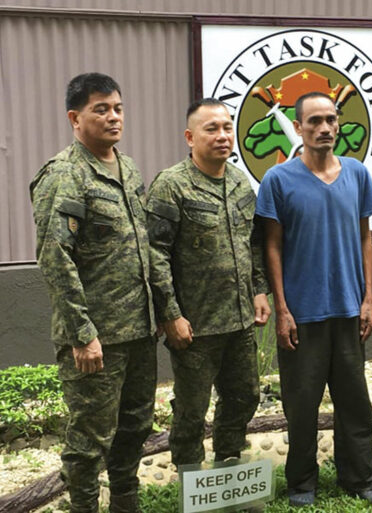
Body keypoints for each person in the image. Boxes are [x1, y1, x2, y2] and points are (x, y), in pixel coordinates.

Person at [29, 72, 157, 513]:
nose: (113, 117)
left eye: (117, 107)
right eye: (100, 109)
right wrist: (82, 333)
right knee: (89, 441)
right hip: (96, 338)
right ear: (75, 117)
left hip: (139, 330)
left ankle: (126, 504)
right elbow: (55, 258)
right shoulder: (64, 174)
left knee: (134, 427)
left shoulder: (129, 167)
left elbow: (141, 246)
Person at [255, 92, 372, 507]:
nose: (325, 128)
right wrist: (282, 309)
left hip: (349, 310)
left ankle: (360, 479)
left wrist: (368, 299)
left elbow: (366, 236)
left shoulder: (356, 173)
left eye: (331, 119)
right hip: (302, 314)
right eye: (314, 121)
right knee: (302, 406)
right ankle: (302, 484)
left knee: (355, 404)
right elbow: (271, 248)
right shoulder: (278, 180)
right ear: (298, 128)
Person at [146, 98, 270, 466]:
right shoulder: (171, 185)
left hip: (239, 321)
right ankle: (189, 484)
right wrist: (170, 315)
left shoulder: (239, 181)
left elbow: (253, 242)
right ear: (190, 137)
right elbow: (155, 255)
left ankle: (227, 473)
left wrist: (259, 289)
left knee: (245, 396)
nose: (222, 136)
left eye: (227, 127)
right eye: (211, 129)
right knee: (191, 410)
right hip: (194, 327)